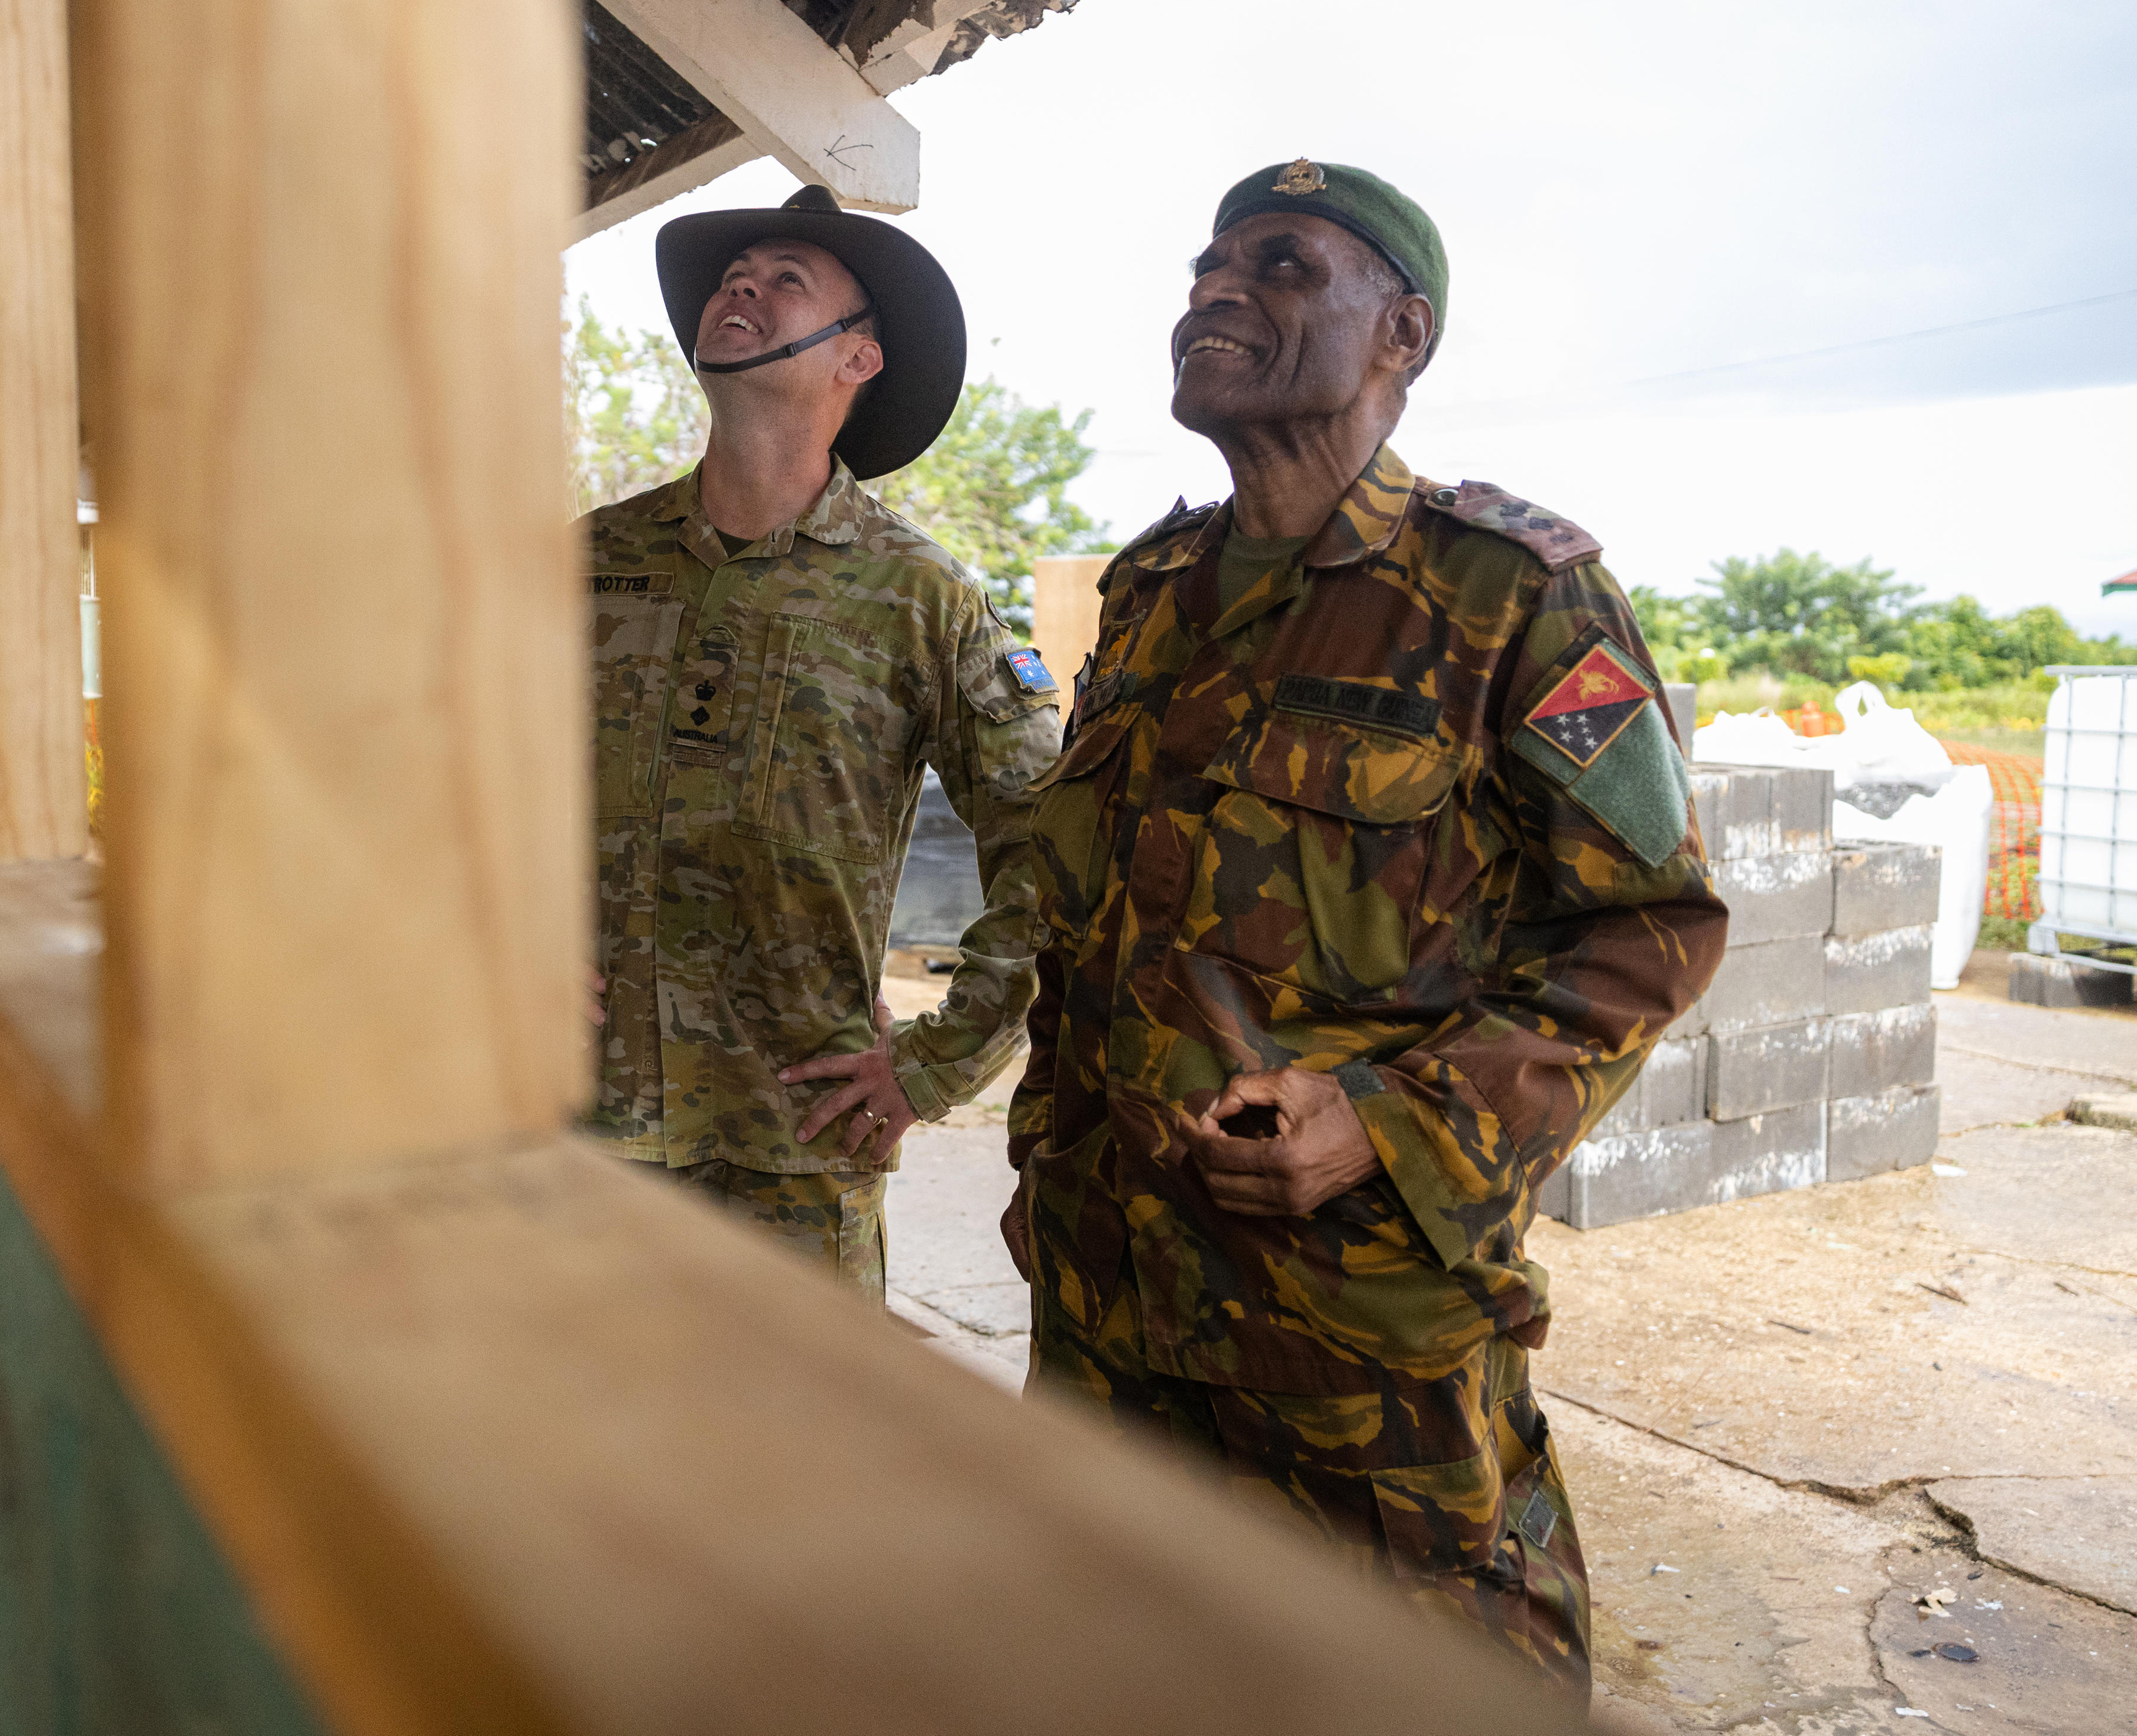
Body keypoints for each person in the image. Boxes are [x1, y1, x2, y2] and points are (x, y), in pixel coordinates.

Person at [1000, 158, 1725, 1694]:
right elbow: (1093, 923)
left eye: (1278, 266)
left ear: (1402, 332)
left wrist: (1389, 1122)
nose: (1215, 291)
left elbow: (1649, 925)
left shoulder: (1509, 591)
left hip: (1349, 1336)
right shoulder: (1148, 591)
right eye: (1204, 266)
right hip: (1104, 1309)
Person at [581, 184, 1063, 1300]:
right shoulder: (584, 564)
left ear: (858, 359)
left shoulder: (921, 595)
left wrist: (937, 1065)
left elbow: (1056, 841)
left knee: (798, 1474)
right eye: (733, 274)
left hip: (797, 1151)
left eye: (785, 276)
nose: (740, 286)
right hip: (580, 1130)